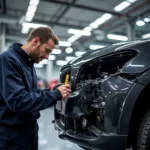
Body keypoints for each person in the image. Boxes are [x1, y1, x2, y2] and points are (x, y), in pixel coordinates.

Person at [0, 26, 71, 150]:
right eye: (47, 50)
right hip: (12, 136)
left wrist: (52, 90)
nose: (47, 57)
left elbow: (32, 93)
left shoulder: (29, 63)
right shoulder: (8, 59)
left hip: (30, 131)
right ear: (36, 41)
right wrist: (55, 95)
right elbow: (18, 100)